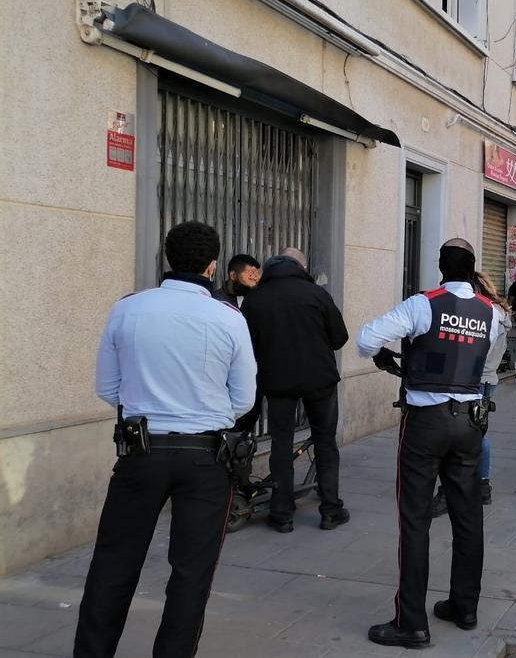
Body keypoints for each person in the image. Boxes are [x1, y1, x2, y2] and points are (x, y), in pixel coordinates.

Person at [75, 221, 257, 658]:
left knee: (114, 563)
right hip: (205, 457)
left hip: (141, 451)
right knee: (192, 574)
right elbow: (244, 398)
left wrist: (147, 403)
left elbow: (108, 388)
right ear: (214, 266)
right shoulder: (229, 317)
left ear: (167, 259)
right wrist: (204, 415)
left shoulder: (128, 308)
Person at [358, 239, 500, 649]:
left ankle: (412, 623)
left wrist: (390, 357)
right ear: (473, 269)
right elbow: (486, 360)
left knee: (415, 519)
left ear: (440, 266)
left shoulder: (423, 304)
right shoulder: (491, 313)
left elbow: (367, 339)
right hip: (471, 422)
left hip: (426, 422)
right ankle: (464, 607)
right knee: (468, 516)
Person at [240, 248, 350, 533]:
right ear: (300, 266)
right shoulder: (317, 295)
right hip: (320, 380)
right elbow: (340, 338)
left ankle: (281, 514)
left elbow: (244, 345)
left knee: (280, 442)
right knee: (325, 441)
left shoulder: (255, 299)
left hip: (277, 382)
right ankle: (330, 511)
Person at [432, 269, 511, 516]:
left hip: (475, 381)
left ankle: (452, 490)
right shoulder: (496, 313)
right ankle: (481, 486)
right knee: (476, 433)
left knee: (459, 434)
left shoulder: (486, 315)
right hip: (484, 380)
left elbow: (474, 351)